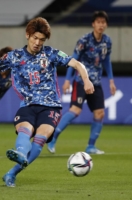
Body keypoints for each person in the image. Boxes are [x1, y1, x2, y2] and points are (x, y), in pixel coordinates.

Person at [0, 17, 94, 187]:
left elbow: (77, 64)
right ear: (27, 35)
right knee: (25, 131)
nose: (38, 43)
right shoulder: (14, 57)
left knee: (39, 139)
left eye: (42, 40)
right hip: (28, 106)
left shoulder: (52, 54)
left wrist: (86, 80)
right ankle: (21, 153)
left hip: (51, 106)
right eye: (35, 38)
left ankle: (12, 173)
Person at [47, 11, 116, 155]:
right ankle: (52, 138)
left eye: (103, 22)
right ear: (93, 24)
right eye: (98, 22)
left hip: (95, 83)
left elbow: (106, 61)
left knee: (100, 113)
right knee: (75, 110)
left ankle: (91, 146)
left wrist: (111, 80)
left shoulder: (107, 42)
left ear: (106, 25)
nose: (101, 25)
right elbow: (73, 60)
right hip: (81, 81)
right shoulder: (84, 40)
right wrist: (67, 80)